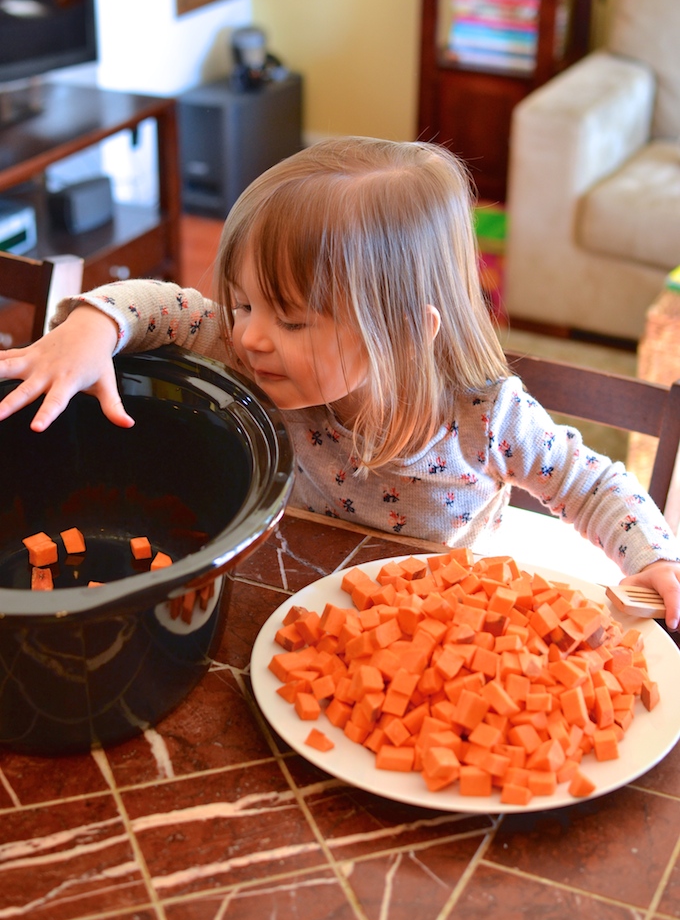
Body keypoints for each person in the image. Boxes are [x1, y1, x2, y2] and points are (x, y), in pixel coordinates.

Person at [0, 136, 679, 629]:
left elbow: (593, 484)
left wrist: (653, 560)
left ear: (409, 332)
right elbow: (162, 307)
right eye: (243, 303)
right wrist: (86, 331)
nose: (250, 335)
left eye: (292, 318)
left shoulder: (486, 418)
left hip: (428, 623)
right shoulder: (246, 350)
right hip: (284, 600)